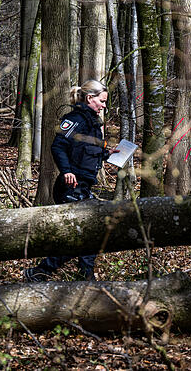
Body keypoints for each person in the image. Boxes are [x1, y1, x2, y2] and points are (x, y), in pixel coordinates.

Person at [24, 80, 117, 282]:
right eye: (101, 101)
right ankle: (41, 272)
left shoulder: (93, 124)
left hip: (84, 186)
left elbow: (86, 153)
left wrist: (106, 154)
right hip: (70, 187)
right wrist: (67, 171)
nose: (104, 106)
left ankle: (84, 276)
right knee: (82, 235)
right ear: (90, 98)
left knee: (91, 233)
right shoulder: (74, 119)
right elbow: (58, 146)